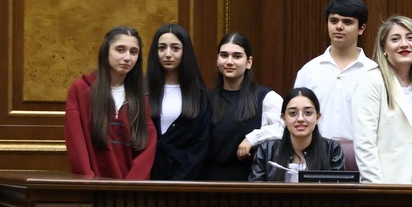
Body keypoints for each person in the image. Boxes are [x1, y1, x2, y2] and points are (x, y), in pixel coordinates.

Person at [353, 15, 412, 185]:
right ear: (384, 47)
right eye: (395, 39)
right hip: (389, 176)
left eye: (410, 38)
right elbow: (364, 143)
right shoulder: (372, 81)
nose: (404, 44)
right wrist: (375, 187)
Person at [64, 26, 156, 179]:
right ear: (106, 51)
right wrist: (89, 182)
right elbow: (76, 144)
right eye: (120, 50)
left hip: (129, 190)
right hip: (92, 188)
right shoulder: (81, 90)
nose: (127, 57)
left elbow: (146, 149)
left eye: (133, 52)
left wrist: (131, 187)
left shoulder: (140, 98)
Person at [284, 0, 372, 148]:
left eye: (347, 22)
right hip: (316, 152)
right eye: (334, 21)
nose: (339, 27)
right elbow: (295, 115)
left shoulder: (373, 72)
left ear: (361, 28)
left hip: (361, 154)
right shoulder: (309, 71)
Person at [202, 33, 281, 182]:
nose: (229, 61)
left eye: (237, 56)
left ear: (249, 62)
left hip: (251, 182)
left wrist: (252, 139)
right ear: (217, 60)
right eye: (224, 55)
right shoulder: (205, 99)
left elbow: (287, 127)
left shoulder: (266, 97)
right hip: (209, 182)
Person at [145, 23, 211, 181]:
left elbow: (201, 144)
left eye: (175, 48)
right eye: (162, 48)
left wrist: (179, 182)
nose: (168, 54)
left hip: (186, 181)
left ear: (185, 52)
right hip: (147, 178)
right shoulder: (142, 89)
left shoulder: (198, 94)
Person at [249, 87, 347, 181]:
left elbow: (337, 189)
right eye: (293, 113)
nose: (300, 119)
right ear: (284, 118)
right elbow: (255, 189)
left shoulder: (332, 149)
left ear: (317, 117)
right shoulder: (266, 150)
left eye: (308, 112)